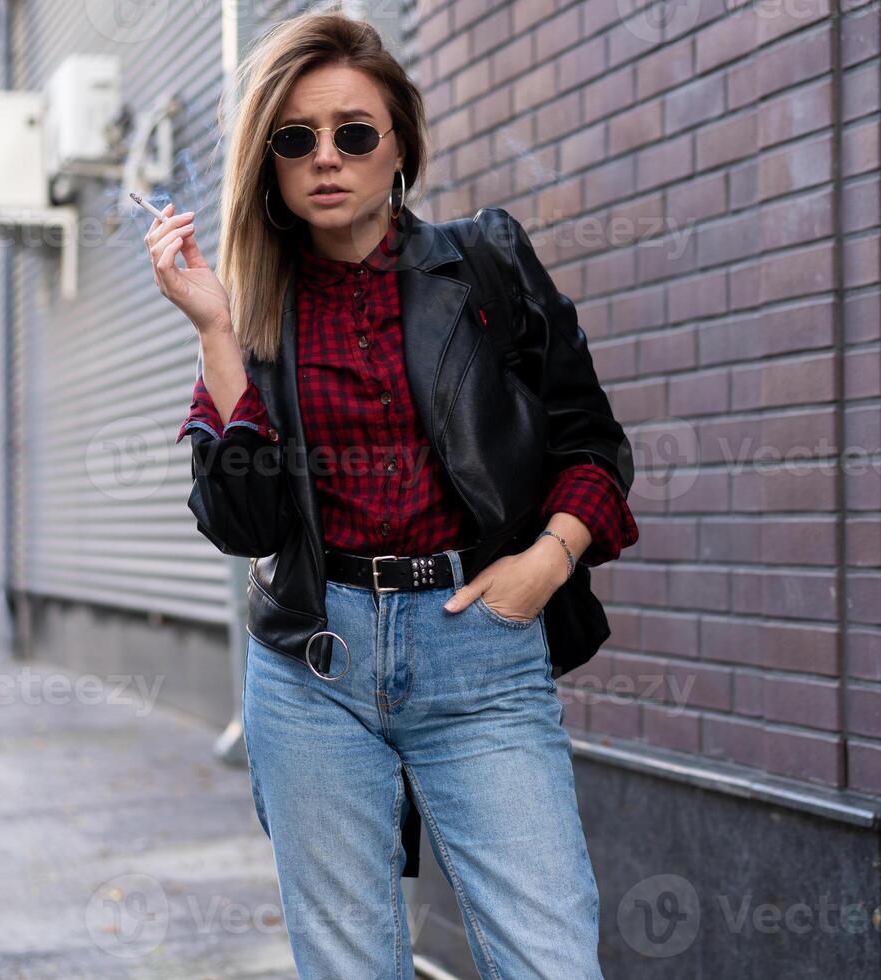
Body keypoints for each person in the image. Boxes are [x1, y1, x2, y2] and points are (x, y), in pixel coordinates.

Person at [145, 8, 637, 978]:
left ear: (399, 144)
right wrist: (214, 332)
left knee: (550, 957)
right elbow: (243, 524)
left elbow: (592, 442)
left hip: (480, 649)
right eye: (297, 138)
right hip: (312, 666)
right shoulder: (251, 310)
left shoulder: (484, 263)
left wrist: (546, 560)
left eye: (354, 132)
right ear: (271, 166)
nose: (327, 157)